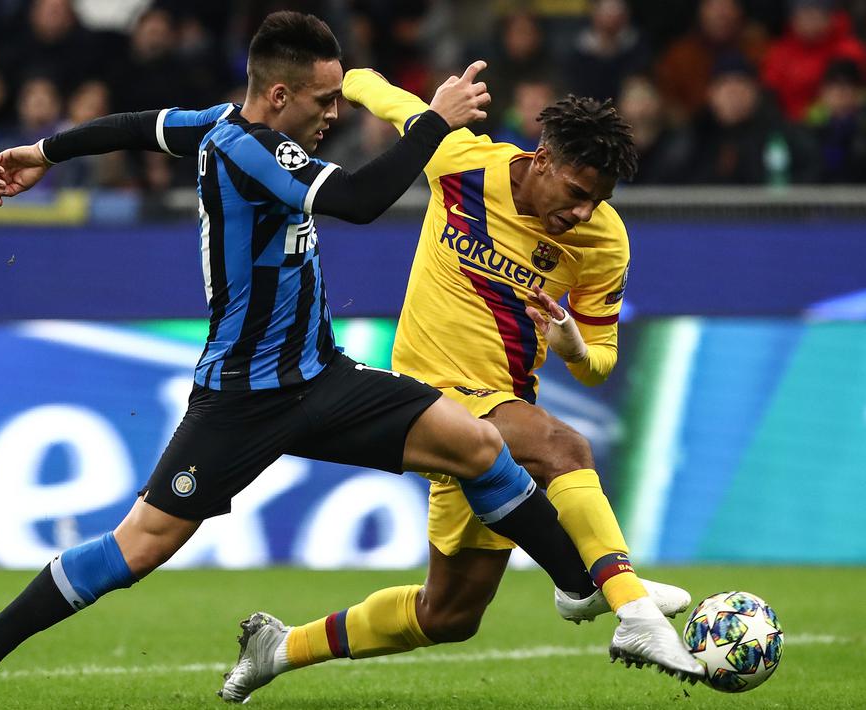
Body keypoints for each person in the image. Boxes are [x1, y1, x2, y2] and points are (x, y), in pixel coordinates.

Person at [0, 12, 693, 709]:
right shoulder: (246, 147)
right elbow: (355, 201)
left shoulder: (219, 122)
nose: (333, 115)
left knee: (481, 447)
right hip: (240, 397)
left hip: (321, 377)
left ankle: (596, 592)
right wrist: (433, 123)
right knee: (136, 550)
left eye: (339, 98)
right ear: (278, 96)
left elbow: (143, 125)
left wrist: (46, 148)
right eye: (322, 102)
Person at [214, 68, 706, 704]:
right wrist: (334, 84)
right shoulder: (460, 159)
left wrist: (574, 346)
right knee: (565, 450)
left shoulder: (603, 238)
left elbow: (600, 361)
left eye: (598, 200)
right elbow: (380, 91)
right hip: (423, 397)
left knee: (447, 616)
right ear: (544, 158)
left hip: (497, 415)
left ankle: (277, 649)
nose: (583, 211)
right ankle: (629, 606)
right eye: (578, 192)